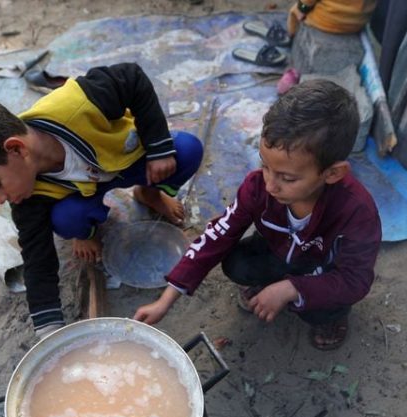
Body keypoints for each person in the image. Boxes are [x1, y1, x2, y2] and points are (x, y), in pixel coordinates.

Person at [0, 63, 203, 338]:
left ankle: (148, 193)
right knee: (67, 220)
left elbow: (132, 78)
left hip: (123, 159)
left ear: (16, 148)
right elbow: (37, 258)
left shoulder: (80, 103)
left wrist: (158, 148)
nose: (1, 199)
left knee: (186, 151)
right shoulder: (26, 198)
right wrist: (49, 329)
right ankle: (86, 231)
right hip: (83, 192)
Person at [134, 79, 381, 350]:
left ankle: (329, 319)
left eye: (287, 177)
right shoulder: (258, 187)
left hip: (320, 269)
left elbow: (355, 279)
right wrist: (166, 299)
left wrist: (293, 288)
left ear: (332, 173)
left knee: (322, 307)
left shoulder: (357, 212)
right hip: (277, 251)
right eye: (265, 166)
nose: (271, 184)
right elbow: (219, 235)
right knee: (236, 262)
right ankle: (272, 284)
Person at [277, 0, 377, 95]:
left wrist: (301, 8)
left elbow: (305, 4)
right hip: (355, 23)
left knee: (296, 16)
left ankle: (295, 70)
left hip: (325, 22)